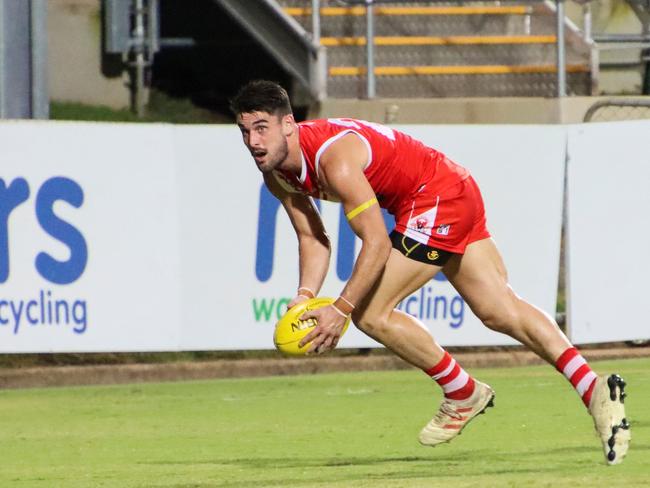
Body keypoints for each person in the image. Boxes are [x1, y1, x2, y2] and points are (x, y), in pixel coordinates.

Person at [230, 80, 630, 464]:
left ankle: (462, 391)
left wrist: (341, 308)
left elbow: (376, 244)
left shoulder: (334, 159)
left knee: (370, 313)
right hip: (451, 186)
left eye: (262, 128)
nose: (253, 142)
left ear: (288, 124)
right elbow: (313, 238)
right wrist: (304, 296)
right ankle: (594, 390)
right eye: (245, 131)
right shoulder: (276, 172)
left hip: (435, 196)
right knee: (498, 309)